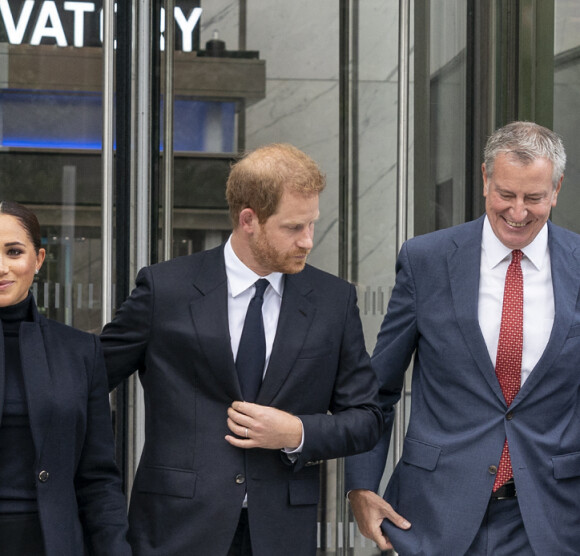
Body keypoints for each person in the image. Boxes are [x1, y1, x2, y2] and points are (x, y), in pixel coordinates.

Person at [101, 143, 382, 556]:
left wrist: (296, 432)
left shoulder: (333, 301)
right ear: (248, 219)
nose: (307, 241)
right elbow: (89, 378)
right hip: (176, 530)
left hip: (282, 533)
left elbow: (367, 418)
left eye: (311, 225)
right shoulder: (167, 289)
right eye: (293, 228)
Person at [345, 121, 580, 555]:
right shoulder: (426, 260)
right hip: (432, 517)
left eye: (534, 197)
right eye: (506, 195)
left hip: (552, 521)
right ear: (486, 179)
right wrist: (360, 487)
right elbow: (378, 388)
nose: (518, 212)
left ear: (557, 188)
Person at [0, 201, 131, 556]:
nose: (2, 267)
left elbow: (98, 478)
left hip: (53, 544)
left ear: (39, 259)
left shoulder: (79, 350)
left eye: (14, 252)